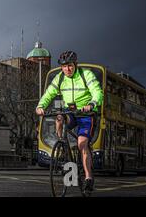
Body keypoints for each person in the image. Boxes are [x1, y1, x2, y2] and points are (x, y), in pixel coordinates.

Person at [35, 51, 103, 192]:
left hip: (86, 114)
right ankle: (62, 145)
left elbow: (97, 92)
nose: (67, 69)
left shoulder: (86, 75)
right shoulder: (60, 78)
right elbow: (48, 94)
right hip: (70, 112)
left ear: (75, 64)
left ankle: (88, 177)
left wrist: (92, 104)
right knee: (59, 118)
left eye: (70, 66)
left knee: (82, 143)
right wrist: (40, 106)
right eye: (64, 67)